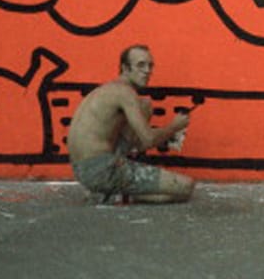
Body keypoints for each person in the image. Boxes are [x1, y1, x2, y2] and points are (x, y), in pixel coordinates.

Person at [67, 44, 195, 203]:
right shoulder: (125, 93)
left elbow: (139, 144)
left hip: (83, 169)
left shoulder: (108, 90)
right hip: (102, 169)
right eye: (141, 65)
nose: (147, 71)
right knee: (186, 187)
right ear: (125, 68)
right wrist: (174, 126)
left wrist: (165, 136)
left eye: (150, 65)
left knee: (145, 105)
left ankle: (111, 191)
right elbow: (148, 140)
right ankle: (113, 194)